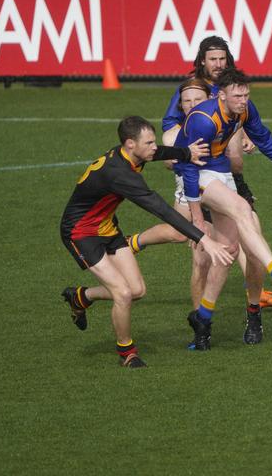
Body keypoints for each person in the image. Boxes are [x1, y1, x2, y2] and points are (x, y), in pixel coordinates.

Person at [127, 36, 272, 309]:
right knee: (187, 239)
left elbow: (243, 119)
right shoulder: (192, 88)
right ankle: (135, 243)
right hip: (197, 173)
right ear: (202, 61)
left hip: (226, 174)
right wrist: (180, 151)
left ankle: (255, 292)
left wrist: (245, 135)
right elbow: (170, 124)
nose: (218, 63)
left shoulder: (232, 88)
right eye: (213, 59)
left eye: (222, 58)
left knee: (242, 229)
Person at [60, 116, 233, 368]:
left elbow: (158, 153)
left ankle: (81, 297)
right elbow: (161, 209)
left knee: (137, 291)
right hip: (81, 233)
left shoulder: (133, 155)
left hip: (106, 228)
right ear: (130, 144)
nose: (155, 147)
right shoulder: (120, 174)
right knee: (122, 293)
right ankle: (127, 352)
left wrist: (185, 153)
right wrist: (204, 238)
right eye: (149, 142)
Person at [175, 67, 272, 350]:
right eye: (237, 95)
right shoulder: (203, 120)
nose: (243, 100)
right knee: (244, 210)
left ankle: (204, 319)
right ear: (221, 95)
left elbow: (265, 140)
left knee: (229, 252)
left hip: (222, 176)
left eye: (246, 94)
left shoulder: (244, 110)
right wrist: (196, 217)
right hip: (198, 179)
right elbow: (188, 168)